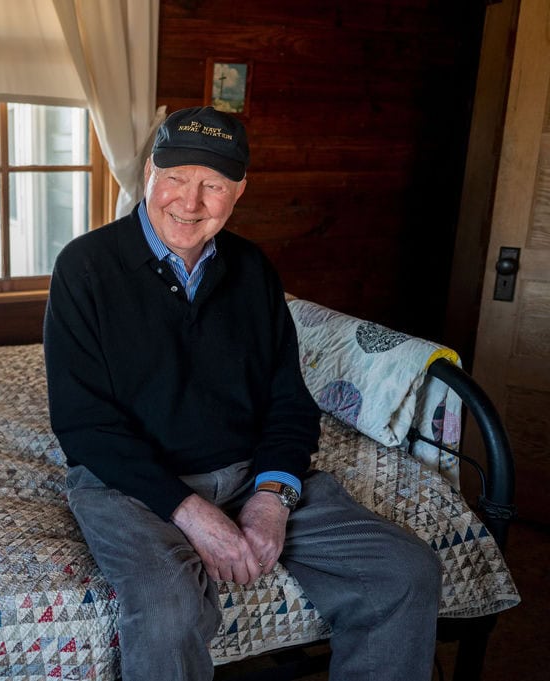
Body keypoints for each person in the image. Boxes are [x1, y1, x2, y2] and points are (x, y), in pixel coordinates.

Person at [43, 106, 442, 680]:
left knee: (405, 571)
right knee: (167, 610)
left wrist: (272, 497)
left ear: (239, 192)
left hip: (247, 471)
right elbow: (83, 425)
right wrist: (193, 514)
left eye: (213, 185)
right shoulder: (85, 267)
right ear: (151, 173)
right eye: (177, 178)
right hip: (128, 485)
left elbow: (289, 403)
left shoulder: (254, 270)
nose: (190, 201)